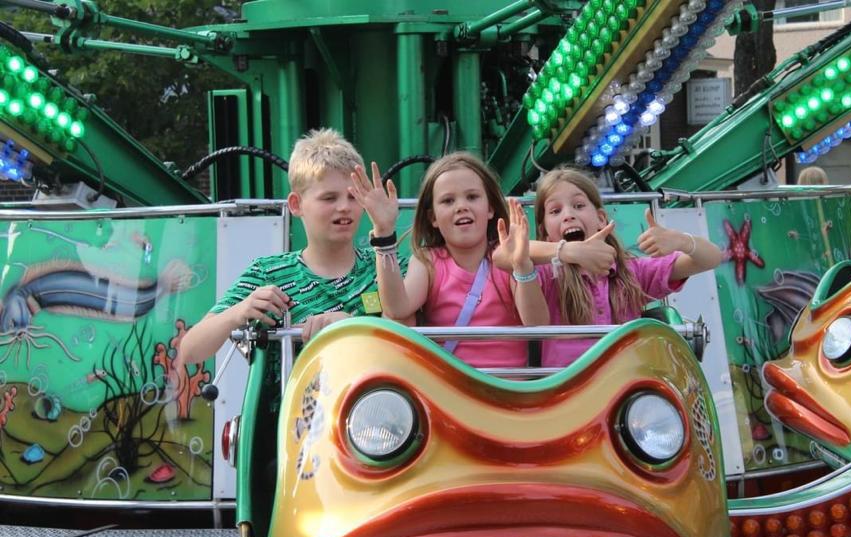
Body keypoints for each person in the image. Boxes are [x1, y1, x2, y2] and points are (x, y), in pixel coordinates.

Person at [179, 128, 394, 364]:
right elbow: (189, 351)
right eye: (329, 198)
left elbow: (409, 341)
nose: (344, 207)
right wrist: (240, 311)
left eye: (353, 197)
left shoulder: (387, 269)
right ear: (296, 204)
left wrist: (349, 325)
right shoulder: (268, 273)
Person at [351, 152, 548, 369]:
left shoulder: (506, 257)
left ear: (490, 208)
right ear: (432, 218)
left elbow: (537, 325)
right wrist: (384, 232)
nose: (461, 206)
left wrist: (522, 266)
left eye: (472, 197)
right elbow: (397, 308)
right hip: (446, 393)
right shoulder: (428, 261)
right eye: (448, 200)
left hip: (507, 391)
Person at [530, 167, 722, 367]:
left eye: (578, 205)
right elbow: (511, 254)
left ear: (601, 219)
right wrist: (567, 251)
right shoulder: (546, 273)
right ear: (545, 233)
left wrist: (682, 241)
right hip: (569, 389)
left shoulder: (631, 271)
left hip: (625, 385)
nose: (568, 215)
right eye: (555, 211)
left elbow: (712, 258)